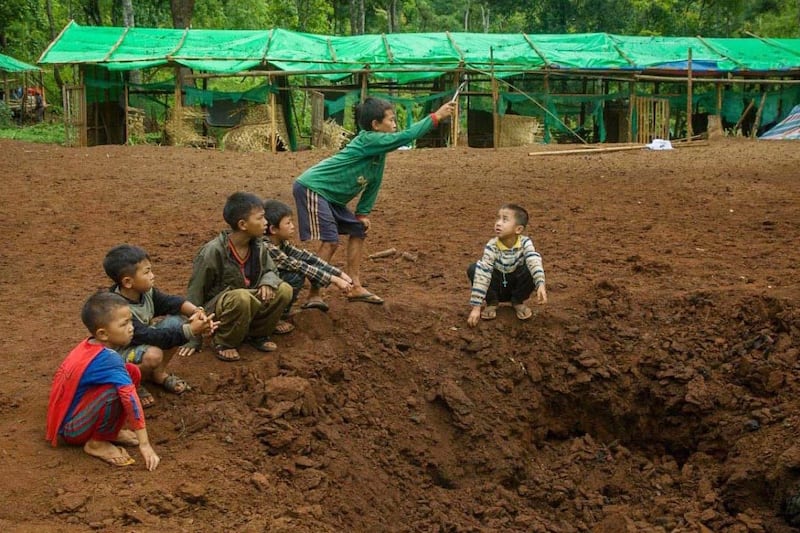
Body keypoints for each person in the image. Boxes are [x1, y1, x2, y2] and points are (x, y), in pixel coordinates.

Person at [293, 96, 456, 307]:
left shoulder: (378, 153)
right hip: (313, 188)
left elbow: (373, 183)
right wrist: (436, 116)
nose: (395, 124)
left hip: (331, 196)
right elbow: (404, 137)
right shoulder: (368, 139)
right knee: (331, 240)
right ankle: (314, 294)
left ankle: (355, 286)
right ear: (375, 125)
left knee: (358, 229)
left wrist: (362, 213)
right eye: (391, 120)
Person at [45, 291, 160, 470]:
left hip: (72, 418)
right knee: (117, 390)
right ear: (103, 333)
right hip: (72, 430)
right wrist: (144, 444)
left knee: (131, 372)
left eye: (130, 321)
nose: (131, 327)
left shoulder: (90, 345)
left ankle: (109, 432)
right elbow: (129, 398)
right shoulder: (108, 359)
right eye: (124, 324)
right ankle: (97, 443)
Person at [104, 244, 218, 408]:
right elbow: (152, 337)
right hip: (121, 356)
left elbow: (171, 302)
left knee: (177, 322)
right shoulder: (118, 309)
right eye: (146, 272)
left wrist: (197, 312)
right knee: (154, 354)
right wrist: (191, 330)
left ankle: (158, 373)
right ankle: (134, 383)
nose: (152, 275)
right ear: (128, 282)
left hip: (141, 344)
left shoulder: (144, 292)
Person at [187, 191, 292, 362]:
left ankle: (258, 335)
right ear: (243, 224)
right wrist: (193, 336)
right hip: (221, 309)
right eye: (260, 218)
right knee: (241, 297)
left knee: (284, 289)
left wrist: (267, 281)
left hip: (248, 301)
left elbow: (271, 271)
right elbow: (195, 292)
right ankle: (224, 342)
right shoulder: (213, 251)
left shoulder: (258, 245)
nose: (266, 222)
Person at [263, 199, 354, 321]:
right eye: (288, 223)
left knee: (296, 274)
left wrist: (339, 273)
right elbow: (299, 266)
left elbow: (307, 258)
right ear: (273, 229)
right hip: (260, 289)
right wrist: (334, 279)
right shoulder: (266, 247)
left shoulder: (281, 243)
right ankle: (274, 317)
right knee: (295, 276)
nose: (293, 226)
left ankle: (280, 313)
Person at [467, 204, 548, 327]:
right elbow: (483, 273)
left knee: (530, 266)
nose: (498, 223)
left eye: (505, 220)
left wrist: (540, 283)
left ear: (518, 229)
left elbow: (533, 260)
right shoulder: (492, 246)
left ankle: (517, 301)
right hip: (497, 286)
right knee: (475, 268)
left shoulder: (525, 242)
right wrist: (476, 307)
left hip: (515, 285)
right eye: (498, 218)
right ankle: (492, 302)